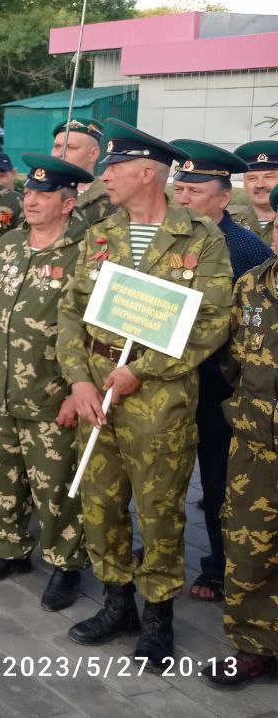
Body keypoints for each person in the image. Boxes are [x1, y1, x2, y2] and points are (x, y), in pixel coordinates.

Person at [56, 119, 230, 667]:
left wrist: (145, 371)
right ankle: (117, 602)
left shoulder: (199, 238)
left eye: (114, 167)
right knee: (101, 504)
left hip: (160, 398)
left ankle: (158, 616)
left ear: (146, 172)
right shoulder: (99, 234)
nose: (104, 176)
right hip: (97, 392)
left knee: (159, 510)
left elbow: (212, 322)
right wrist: (80, 379)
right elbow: (69, 312)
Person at [0, 154, 90, 610]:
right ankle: (9, 549)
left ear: (68, 203)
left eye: (44, 195)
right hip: (2, 386)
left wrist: (77, 389)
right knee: (0, 472)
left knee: (56, 484)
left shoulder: (84, 253)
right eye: (29, 193)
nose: (32, 201)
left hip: (53, 393)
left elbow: (94, 330)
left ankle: (66, 564)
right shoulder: (9, 244)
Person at [168, 139, 271, 604]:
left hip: (219, 389)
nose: (184, 197)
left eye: (194, 189)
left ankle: (220, 564)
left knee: (217, 483)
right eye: (180, 187)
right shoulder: (173, 236)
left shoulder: (244, 247)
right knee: (164, 478)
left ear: (224, 197)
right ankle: (161, 553)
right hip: (168, 382)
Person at [204, 184, 278, 687]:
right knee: (249, 545)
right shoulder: (251, 285)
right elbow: (232, 357)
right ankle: (255, 644)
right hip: (256, 446)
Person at [50, 117, 111, 226]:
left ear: (93, 154)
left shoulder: (110, 197)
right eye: (57, 146)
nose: (60, 154)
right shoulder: (38, 192)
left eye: (71, 148)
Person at [234, 140, 278, 246]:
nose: (260, 185)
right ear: (244, 185)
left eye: (269, 177)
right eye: (252, 178)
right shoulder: (230, 226)